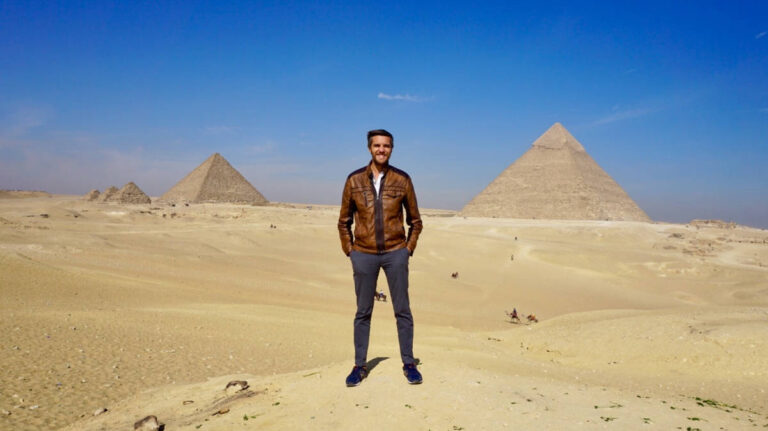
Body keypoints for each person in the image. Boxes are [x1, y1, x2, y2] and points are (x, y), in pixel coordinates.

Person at [338, 129, 423, 386]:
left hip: (395, 253)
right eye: (377, 145)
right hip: (363, 254)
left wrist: (407, 249)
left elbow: (416, 221)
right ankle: (359, 365)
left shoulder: (403, 180)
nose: (381, 150)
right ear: (369, 148)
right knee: (363, 312)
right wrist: (350, 250)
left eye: (386, 146)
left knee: (403, 311)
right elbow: (343, 222)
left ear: (392, 148)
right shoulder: (354, 181)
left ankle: (409, 363)